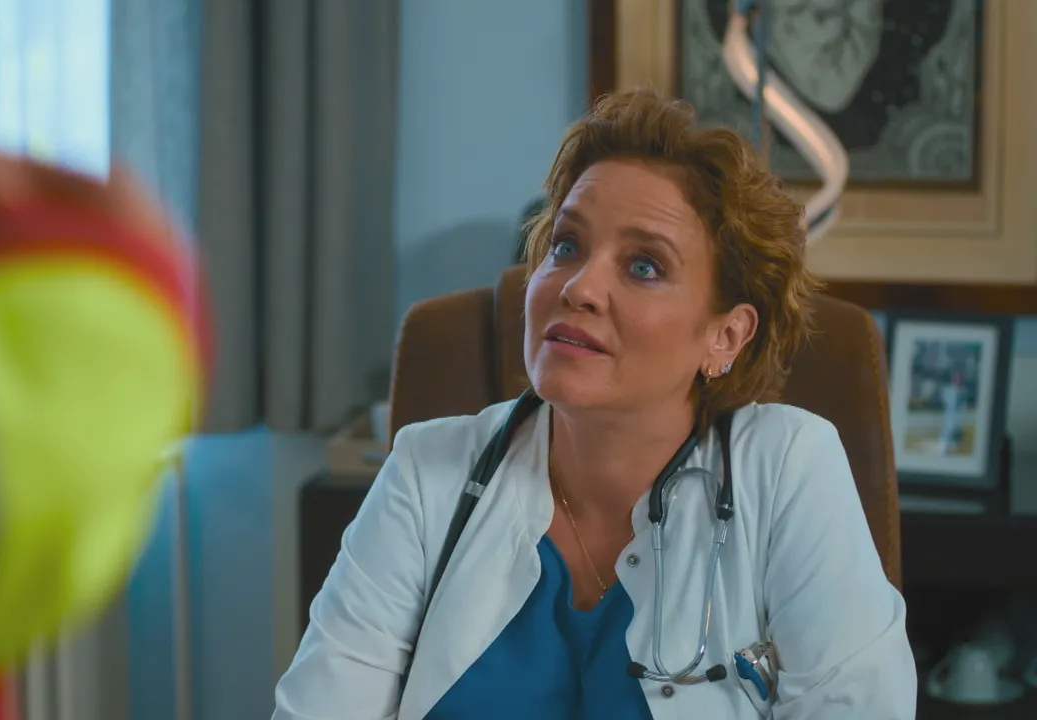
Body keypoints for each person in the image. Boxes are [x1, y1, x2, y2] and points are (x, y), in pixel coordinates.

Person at [273, 89, 917, 719]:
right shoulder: (427, 472)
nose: (578, 287)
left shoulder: (786, 468)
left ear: (725, 335)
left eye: (644, 266)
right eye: (567, 246)